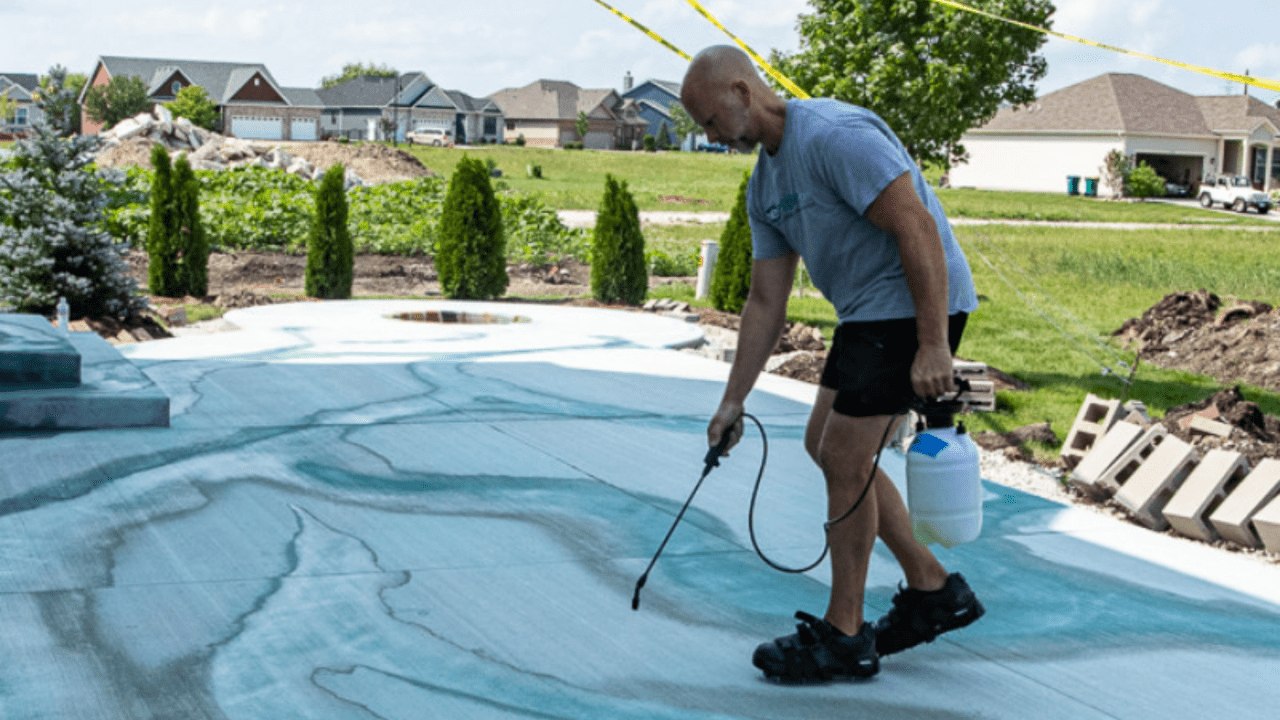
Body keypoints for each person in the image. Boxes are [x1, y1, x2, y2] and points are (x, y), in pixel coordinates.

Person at [681, 46, 985, 682]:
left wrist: (935, 345)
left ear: (741, 90)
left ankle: (846, 635)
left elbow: (917, 227)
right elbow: (766, 300)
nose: (709, 137)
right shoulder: (766, 185)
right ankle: (932, 588)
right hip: (868, 312)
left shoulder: (835, 136)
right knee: (825, 445)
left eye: (710, 120)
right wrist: (733, 400)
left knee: (847, 457)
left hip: (914, 300)